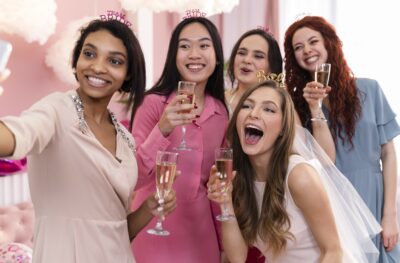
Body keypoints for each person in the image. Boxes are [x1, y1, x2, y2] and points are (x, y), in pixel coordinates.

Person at [0, 19, 176, 263]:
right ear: (76, 61)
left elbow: (117, 231)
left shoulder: (125, 138)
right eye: (89, 54)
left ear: (127, 75)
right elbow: (13, 136)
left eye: (114, 61)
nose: (98, 67)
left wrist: (149, 208)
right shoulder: (56, 110)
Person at [207, 80, 381, 262]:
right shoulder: (239, 177)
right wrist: (225, 202)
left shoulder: (299, 175)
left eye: (269, 109)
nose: (253, 114)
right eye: (247, 106)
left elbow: (333, 251)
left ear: (283, 128)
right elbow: (238, 258)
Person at [284, 15, 400, 262]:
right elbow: (322, 161)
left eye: (312, 41)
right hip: (331, 201)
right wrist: (314, 108)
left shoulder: (370, 89)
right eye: (298, 47)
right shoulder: (298, 106)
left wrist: (390, 214)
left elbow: (388, 154)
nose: (306, 50)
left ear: (329, 43)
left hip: (373, 195)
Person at [130, 16, 228, 263]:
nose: (194, 53)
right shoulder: (151, 104)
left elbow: (215, 185)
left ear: (217, 57)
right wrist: (162, 128)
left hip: (200, 235)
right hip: (153, 228)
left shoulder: (220, 113)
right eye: (184, 46)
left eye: (204, 45)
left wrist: (223, 242)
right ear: (174, 56)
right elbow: (132, 177)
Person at [225, 28, 282, 116]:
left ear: (271, 67)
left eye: (258, 56)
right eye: (241, 53)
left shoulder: (281, 105)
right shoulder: (219, 100)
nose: (247, 60)